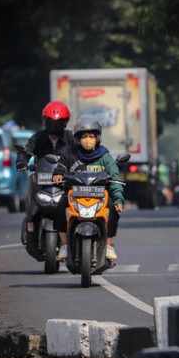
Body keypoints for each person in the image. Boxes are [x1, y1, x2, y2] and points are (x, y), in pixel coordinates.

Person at [53, 117, 125, 261]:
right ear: (78, 139)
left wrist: (118, 199)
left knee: (112, 210)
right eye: (84, 136)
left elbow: (115, 178)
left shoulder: (105, 156)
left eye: (91, 136)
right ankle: (65, 245)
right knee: (61, 206)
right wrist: (58, 175)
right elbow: (60, 168)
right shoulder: (70, 154)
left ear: (97, 138)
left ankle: (108, 245)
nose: (88, 140)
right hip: (74, 195)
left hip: (100, 196)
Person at [16, 101, 77, 240]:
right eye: (51, 122)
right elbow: (25, 151)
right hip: (42, 180)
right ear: (45, 121)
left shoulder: (71, 138)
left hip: (66, 180)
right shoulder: (38, 137)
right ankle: (30, 222)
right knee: (31, 180)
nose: (54, 126)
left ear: (65, 122)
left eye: (58, 122)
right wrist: (22, 163)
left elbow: (81, 153)